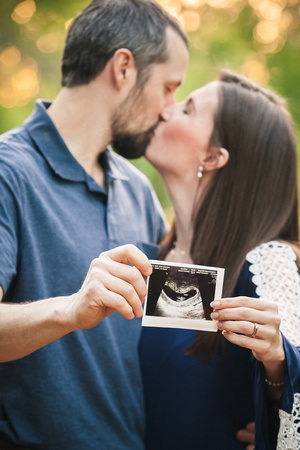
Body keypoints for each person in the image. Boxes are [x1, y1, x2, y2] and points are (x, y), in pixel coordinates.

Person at [0, 0, 189, 448]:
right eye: (168, 87)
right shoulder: (8, 172)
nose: (169, 109)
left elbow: (166, 332)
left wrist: (257, 404)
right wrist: (69, 309)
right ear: (123, 68)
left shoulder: (137, 188)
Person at [138, 70, 300, 449]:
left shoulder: (266, 264)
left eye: (187, 109)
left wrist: (274, 402)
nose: (166, 110)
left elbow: (293, 383)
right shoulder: (155, 256)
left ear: (213, 156)